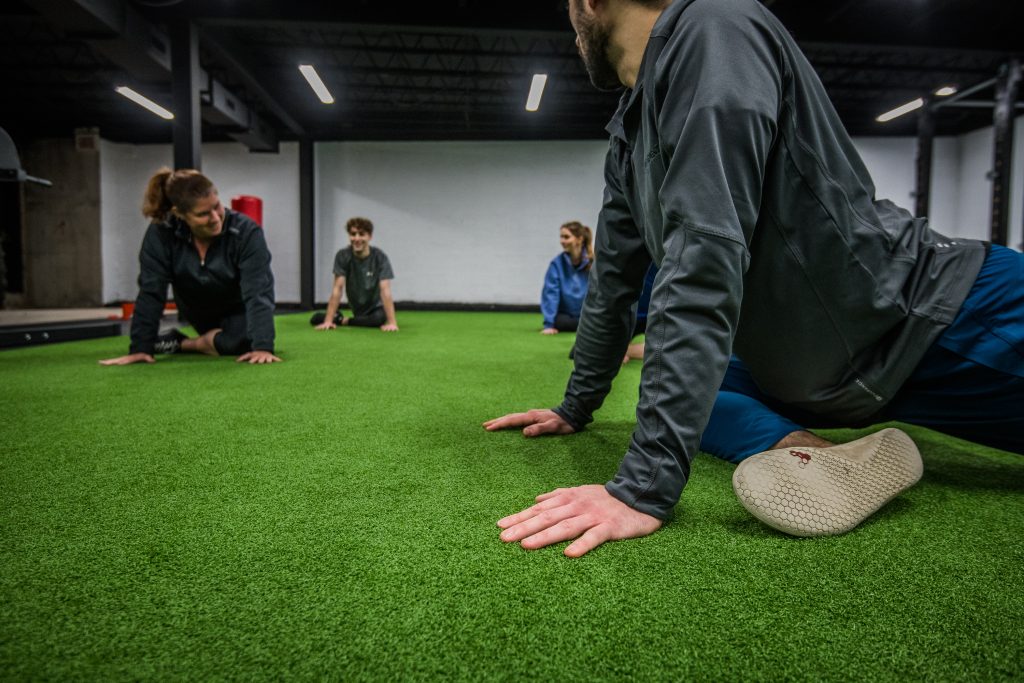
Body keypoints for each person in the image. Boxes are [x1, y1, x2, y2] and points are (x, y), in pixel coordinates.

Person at [484, 0, 1022, 556]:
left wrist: (642, 488)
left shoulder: (715, 27)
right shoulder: (630, 131)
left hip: (947, 315)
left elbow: (702, 258)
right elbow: (614, 282)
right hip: (830, 374)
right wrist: (576, 406)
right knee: (690, 389)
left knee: (685, 383)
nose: (570, 27)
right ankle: (827, 454)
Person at [100, 168, 280, 366]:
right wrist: (141, 348)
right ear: (179, 214)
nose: (215, 218)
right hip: (197, 309)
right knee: (232, 342)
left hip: (237, 310)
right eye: (203, 214)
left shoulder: (246, 232)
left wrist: (262, 347)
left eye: (217, 206)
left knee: (246, 340)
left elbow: (258, 291)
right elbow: (151, 290)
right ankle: (200, 342)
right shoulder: (162, 233)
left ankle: (185, 344)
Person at [311, 217, 398, 332]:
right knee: (316, 318)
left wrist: (392, 323)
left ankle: (343, 320)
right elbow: (338, 288)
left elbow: (385, 290)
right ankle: (341, 318)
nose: (357, 238)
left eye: (361, 234)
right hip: (357, 307)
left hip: (375, 308)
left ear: (369, 236)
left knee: (378, 319)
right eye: (353, 234)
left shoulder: (380, 257)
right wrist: (328, 321)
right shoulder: (343, 256)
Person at [540, 221, 594, 334]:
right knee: (559, 322)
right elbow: (551, 294)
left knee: (594, 322)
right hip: (566, 318)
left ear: (580, 239)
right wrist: (549, 325)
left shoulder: (594, 263)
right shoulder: (556, 264)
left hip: (589, 315)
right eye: (561, 237)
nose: (562, 241)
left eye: (566, 237)